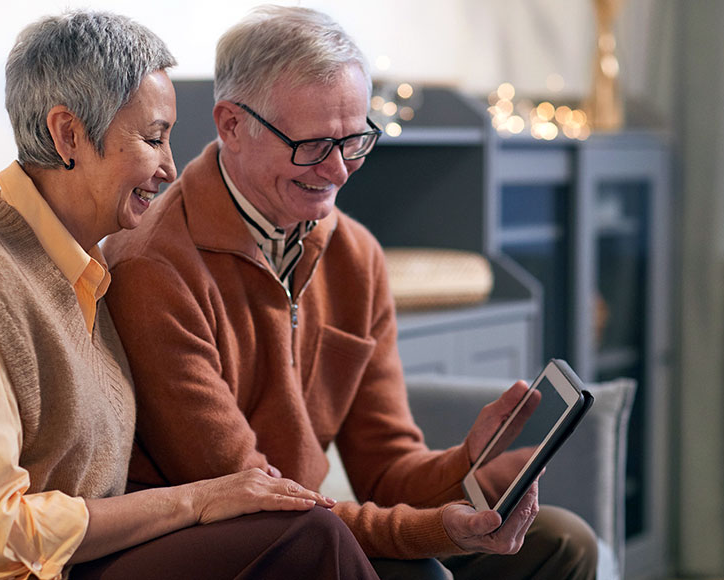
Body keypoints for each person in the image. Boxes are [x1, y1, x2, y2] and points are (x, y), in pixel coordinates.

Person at [103, 5, 598, 579]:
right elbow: (261, 499)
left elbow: (386, 470)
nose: (338, 171)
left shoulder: (356, 255)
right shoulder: (154, 269)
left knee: (565, 544)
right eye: (313, 145)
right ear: (231, 124)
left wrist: (471, 463)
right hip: (227, 546)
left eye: (355, 140)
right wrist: (437, 530)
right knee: (426, 573)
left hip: (311, 528)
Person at [0, 10, 379, 580]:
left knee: (312, 540)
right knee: (307, 537)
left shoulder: (79, 266)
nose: (170, 166)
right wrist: (195, 502)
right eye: (153, 138)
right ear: (68, 134)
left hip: (77, 560)